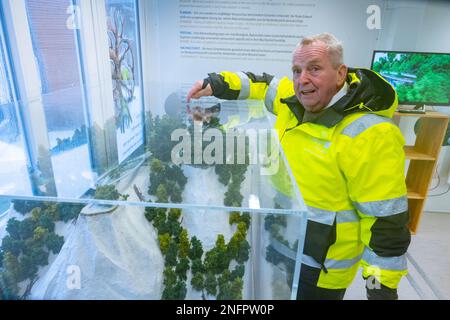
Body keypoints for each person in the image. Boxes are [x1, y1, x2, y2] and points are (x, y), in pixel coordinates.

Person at [187, 33, 411, 300]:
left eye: (314, 68)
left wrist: (381, 290)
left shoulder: (371, 134)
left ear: (340, 73)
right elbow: (259, 84)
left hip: (321, 268)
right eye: (296, 70)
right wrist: (215, 83)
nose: (302, 80)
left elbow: (386, 220)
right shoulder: (291, 99)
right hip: (280, 242)